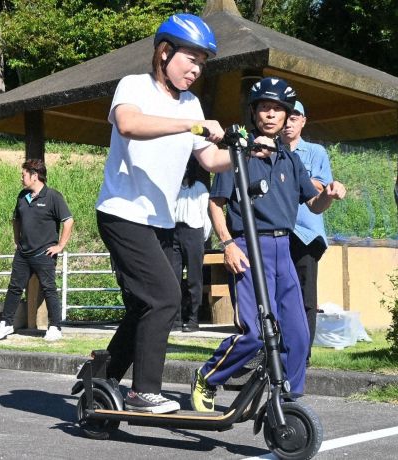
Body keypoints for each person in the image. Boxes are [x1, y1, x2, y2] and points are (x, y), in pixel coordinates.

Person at [95, 13, 232, 415]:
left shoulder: (191, 103)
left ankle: (102, 380)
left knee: (144, 304)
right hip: (123, 212)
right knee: (165, 297)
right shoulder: (134, 86)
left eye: (202, 63)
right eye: (190, 58)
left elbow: (208, 159)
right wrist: (193, 125)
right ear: (164, 51)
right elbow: (129, 124)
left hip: (158, 220)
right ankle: (143, 392)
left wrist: (247, 156)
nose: (195, 69)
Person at [191, 77, 346, 412]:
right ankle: (207, 376)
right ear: (254, 112)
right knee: (255, 334)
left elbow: (313, 203)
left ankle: (288, 403)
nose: (272, 114)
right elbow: (216, 203)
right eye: (265, 107)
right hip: (247, 247)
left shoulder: (291, 160)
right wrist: (228, 243)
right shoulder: (239, 153)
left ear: (288, 115)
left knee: (298, 333)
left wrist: (329, 196)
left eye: (278, 108)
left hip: (283, 248)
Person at [281, 100, 341, 365]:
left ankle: (302, 354)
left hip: (306, 233)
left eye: (295, 117)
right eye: (287, 116)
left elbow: (320, 186)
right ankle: (277, 351)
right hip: (277, 232)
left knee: (306, 297)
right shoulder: (269, 150)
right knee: (276, 294)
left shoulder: (315, 151)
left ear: (303, 121)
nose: (289, 122)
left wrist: (289, 178)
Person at [0, 159, 74, 342]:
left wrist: (60, 246)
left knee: (49, 288)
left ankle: (55, 327)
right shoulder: (22, 196)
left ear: (34, 176)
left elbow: (68, 221)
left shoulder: (53, 197)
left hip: (44, 254)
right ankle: (6, 324)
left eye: (24, 175)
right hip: (23, 254)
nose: (21, 178)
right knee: (14, 288)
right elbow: (15, 220)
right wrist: (16, 239)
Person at [172, 157, 212, 333]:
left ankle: (193, 318)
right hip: (174, 231)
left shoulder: (200, 189)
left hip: (194, 232)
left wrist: (201, 238)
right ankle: (176, 317)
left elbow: (207, 217)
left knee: (194, 277)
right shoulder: (173, 190)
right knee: (174, 277)